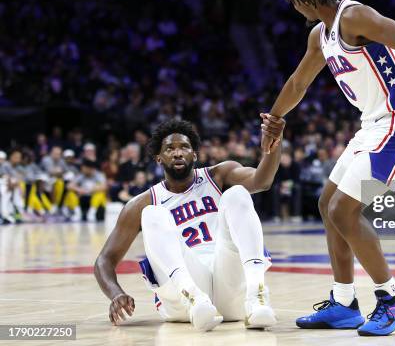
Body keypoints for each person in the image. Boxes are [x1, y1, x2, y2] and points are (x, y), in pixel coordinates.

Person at [260, 0, 395, 336]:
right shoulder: (321, 36)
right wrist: (275, 118)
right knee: (327, 204)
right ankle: (344, 301)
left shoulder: (355, 16)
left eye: (295, 3)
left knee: (345, 210)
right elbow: (299, 82)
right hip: (373, 128)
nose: (294, 10)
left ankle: (391, 299)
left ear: (305, 0)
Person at [94, 118, 285, 331]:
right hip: (182, 297)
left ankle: (257, 296)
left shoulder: (219, 175)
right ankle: (193, 297)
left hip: (228, 286)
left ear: (194, 154)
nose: (177, 153)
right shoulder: (143, 202)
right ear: (158, 158)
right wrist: (116, 293)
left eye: (184, 147)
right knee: (151, 214)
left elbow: (262, 181)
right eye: (169, 149)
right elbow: (104, 260)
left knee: (237, 193)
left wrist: (273, 146)